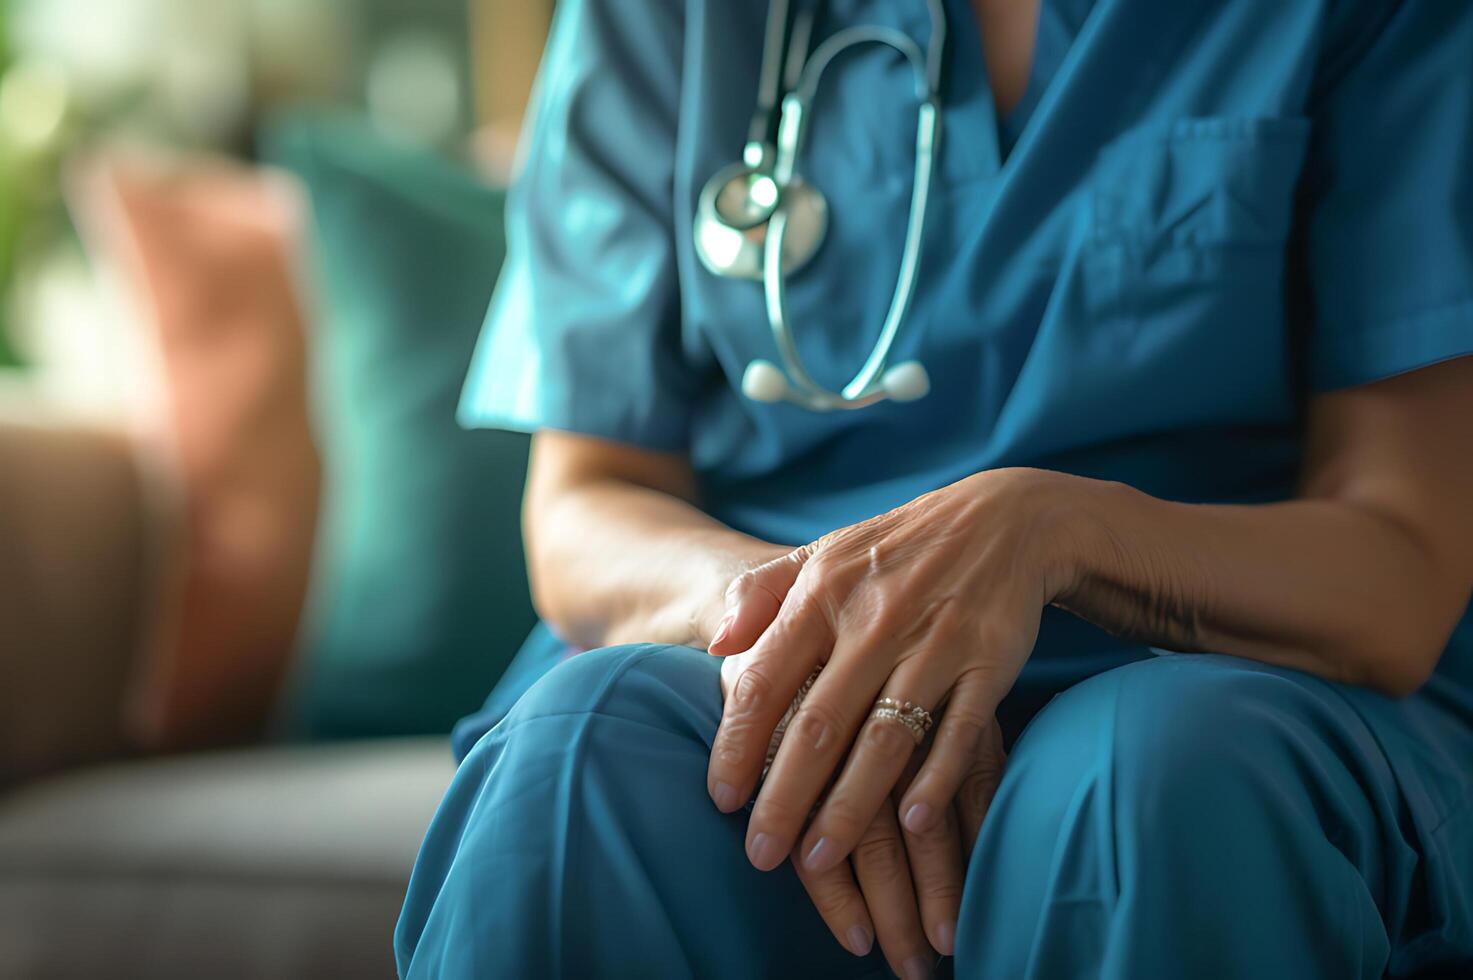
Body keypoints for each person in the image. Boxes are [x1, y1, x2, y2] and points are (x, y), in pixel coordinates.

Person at [395, 0, 1473, 976]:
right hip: (750, 638)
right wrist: (832, 630)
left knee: (1149, 785)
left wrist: (1055, 527)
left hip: (1220, 674)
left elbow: (1398, 566)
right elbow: (584, 503)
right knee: (582, 752)